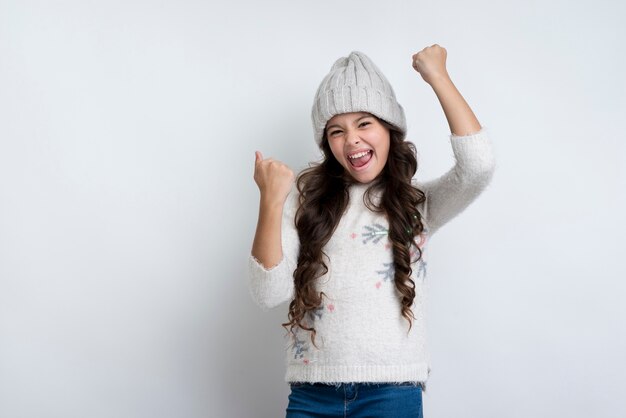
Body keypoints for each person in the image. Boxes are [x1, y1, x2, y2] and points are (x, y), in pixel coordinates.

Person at [248, 45, 496, 418]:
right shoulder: (303, 199)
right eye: (336, 131)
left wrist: (438, 77)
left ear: (389, 129)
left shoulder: (417, 203)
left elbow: (477, 167)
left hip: (392, 393)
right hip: (312, 395)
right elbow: (268, 292)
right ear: (327, 143)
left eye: (365, 123)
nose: (352, 140)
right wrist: (270, 201)